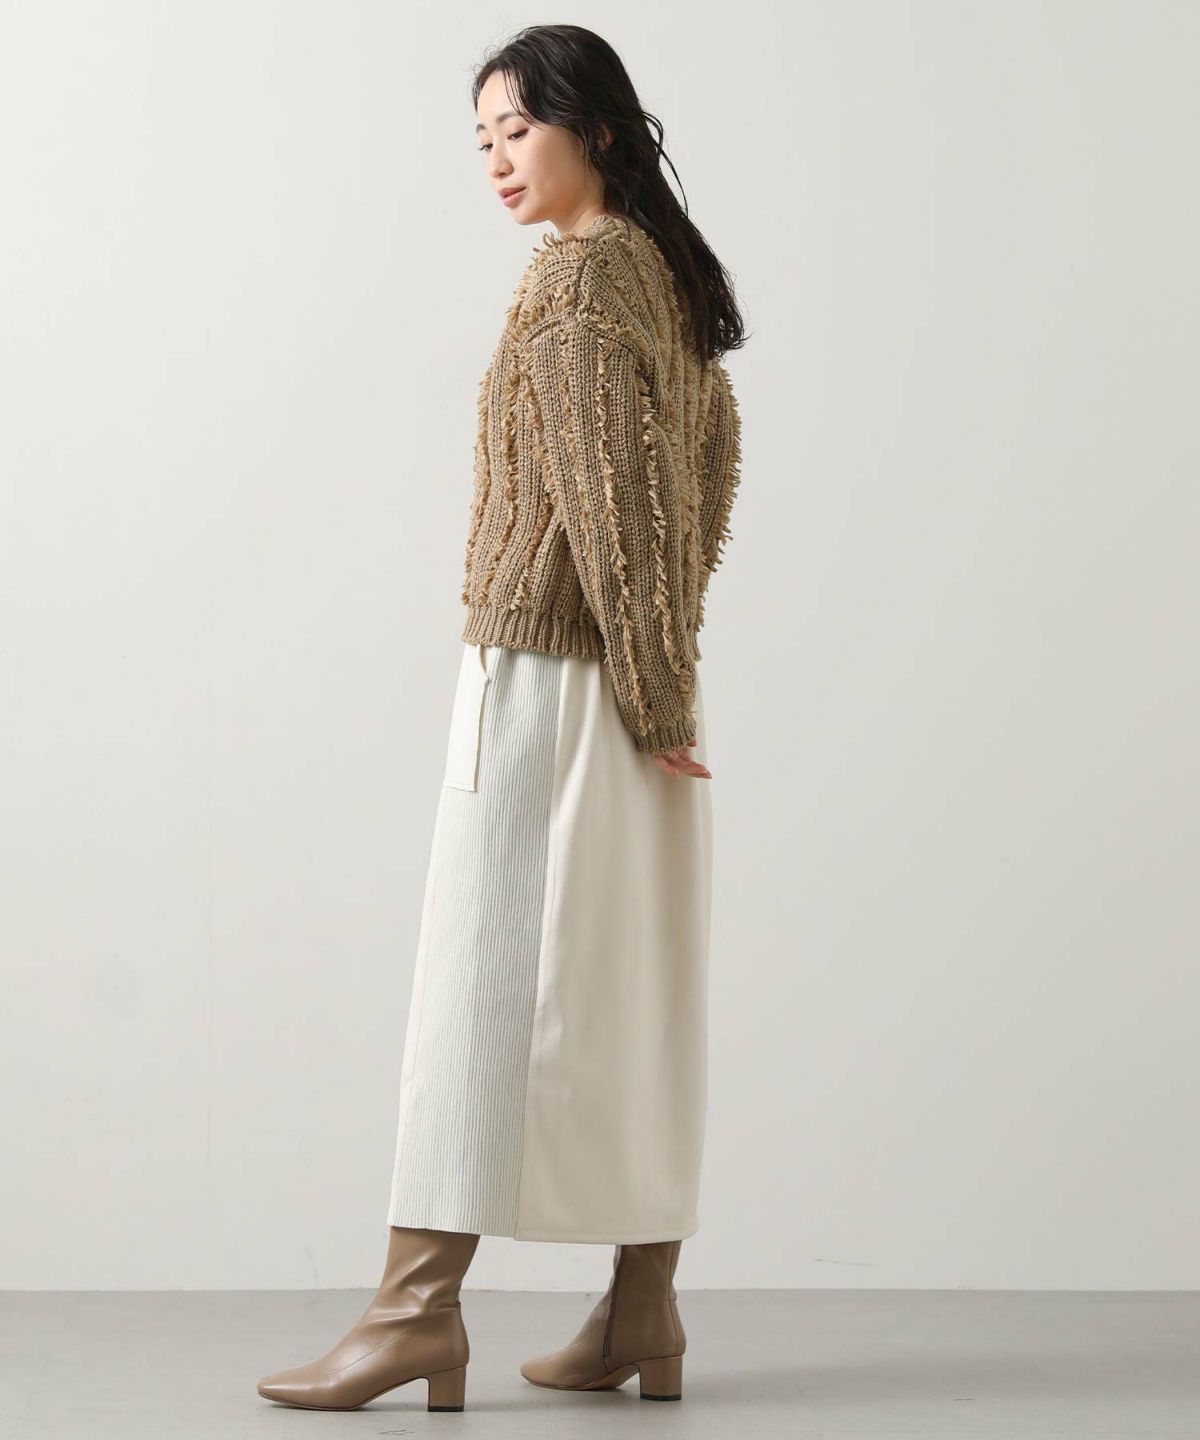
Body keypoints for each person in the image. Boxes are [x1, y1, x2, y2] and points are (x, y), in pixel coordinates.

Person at [257, 22, 745, 1413]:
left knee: (475, 988)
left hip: (551, 677)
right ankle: (642, 1310)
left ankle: (415, 1311)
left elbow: (616, 503)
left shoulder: (581, 281)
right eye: (481, 138)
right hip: (640, 679)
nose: (495, 159)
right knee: (634, 993)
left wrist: (646, 683)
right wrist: (665, 679)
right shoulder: (659, 277)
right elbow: (696, 489)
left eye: (516, 129)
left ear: (595, 127)